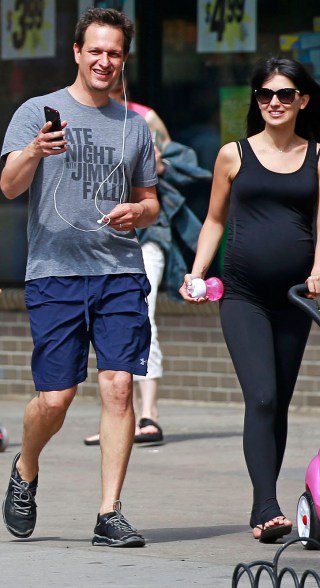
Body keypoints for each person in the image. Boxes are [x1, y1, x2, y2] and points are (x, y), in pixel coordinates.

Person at [1, 7, 160, 547]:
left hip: (118, 270)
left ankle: (108, 513)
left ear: (123, 59)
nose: (104, 60)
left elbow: (151, 202)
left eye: (114, 52)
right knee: (56, 398)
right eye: (95, 50)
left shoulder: (134, 126)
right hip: (55, 272)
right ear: (77, 52)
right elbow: (8, 186)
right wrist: (32, 151)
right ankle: (25, 469)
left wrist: (138, 215)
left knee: (119, 388)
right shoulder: (36, 112)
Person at [179, 57, 320, 543]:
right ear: (257, 101)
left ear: (302, 100)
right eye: (264, 95)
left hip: (296, 299)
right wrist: (196, 272)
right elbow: (214, 220)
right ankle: (265, 506)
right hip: (244, 294)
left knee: (278, 403)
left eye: (283, 94)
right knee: (261, 396)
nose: (273, 102)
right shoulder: (233, 154)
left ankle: (268, 500)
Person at [84, 81, 170, 446]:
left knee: (142, 315)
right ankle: (120, 419)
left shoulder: (142, 118)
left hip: (145, 237)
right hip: (100, 242)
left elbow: (162, 165)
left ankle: (148, 415)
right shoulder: (81, 118)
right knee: (105, 328)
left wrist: (147, 162)